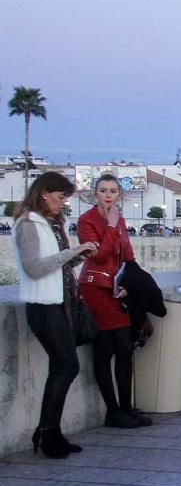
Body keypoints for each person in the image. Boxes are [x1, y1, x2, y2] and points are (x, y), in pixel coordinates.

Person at [12, 172, 97, 457]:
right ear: (45, 193)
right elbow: (34, 268)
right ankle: (47, 433)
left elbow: (53, 265)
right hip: (43, 307)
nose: (63, 204)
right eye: (61, 198)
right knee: (66, 366)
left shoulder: (49, 224)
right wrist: (70, 252)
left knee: (62, 367)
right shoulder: (28, 224)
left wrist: (78, 256)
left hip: (57, 304)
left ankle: (50, 432)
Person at [78, 173, 150, 429]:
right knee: (106, 348)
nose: (108, 195)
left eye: (113, 191)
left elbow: (126, 254)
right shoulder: (86, 221)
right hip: (96, 290)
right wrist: (109, 225)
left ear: (119, 195)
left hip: (117, 289)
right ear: (94, 193)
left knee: (124, 348)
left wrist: (131, 284)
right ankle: (113, 410)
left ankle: (126, 407)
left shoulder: (119, 220)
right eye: (103, 190)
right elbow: (98, 256)